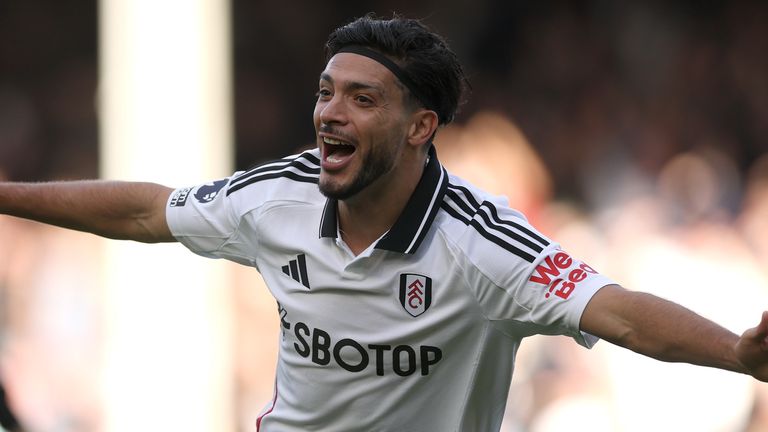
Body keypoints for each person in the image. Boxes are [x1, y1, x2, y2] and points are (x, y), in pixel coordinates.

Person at [1, 14, 768, 432]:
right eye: (327, 91)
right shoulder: (281, 197)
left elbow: (622, 314)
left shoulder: (481, 245)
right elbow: (146, 209)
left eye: (362, 99)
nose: (330, 113)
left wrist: (738, 353)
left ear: (419, 127)